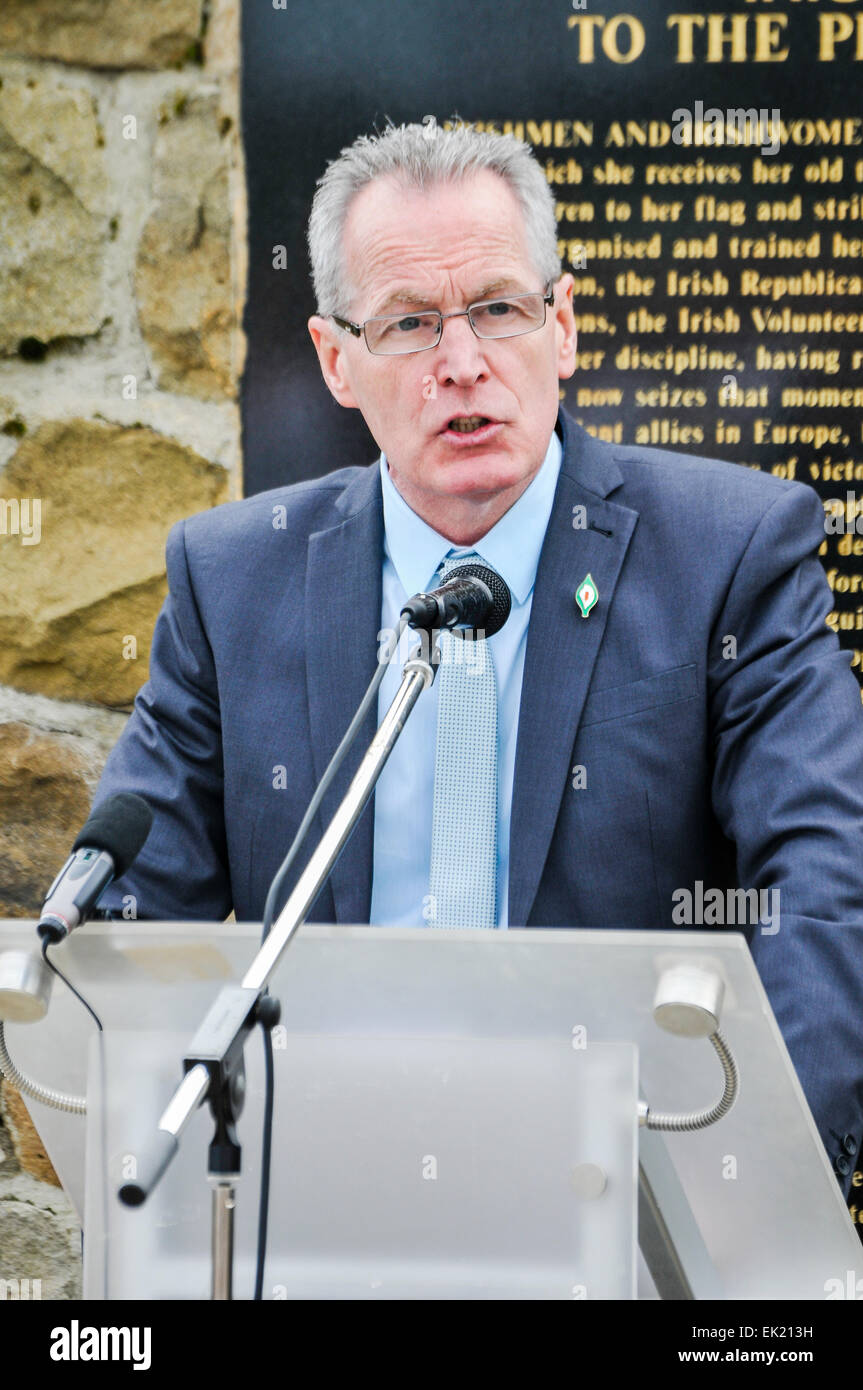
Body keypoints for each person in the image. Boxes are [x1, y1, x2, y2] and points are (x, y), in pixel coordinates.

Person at [92, 120, 863, 1194]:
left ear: (564, 325)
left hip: (630, 1199)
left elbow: (823, 899)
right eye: (409, 324)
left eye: (498, 308)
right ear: (334, 362)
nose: (462, 365)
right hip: (324, 1208)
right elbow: (125, 936)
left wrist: (734, 1190)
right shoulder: (232, 583)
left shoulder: (731, 555)